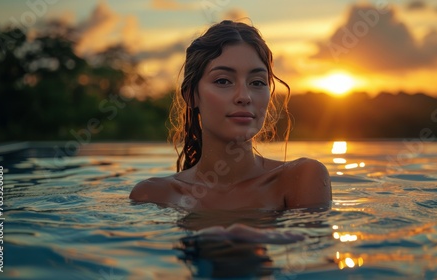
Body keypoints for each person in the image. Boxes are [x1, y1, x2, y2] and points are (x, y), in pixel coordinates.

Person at [129, 20, 332, 211]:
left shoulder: (300, 178)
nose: (244, 97)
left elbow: (313, 245)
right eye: (223, 81)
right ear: (191, 96)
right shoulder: (154, 194)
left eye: (257, 82)